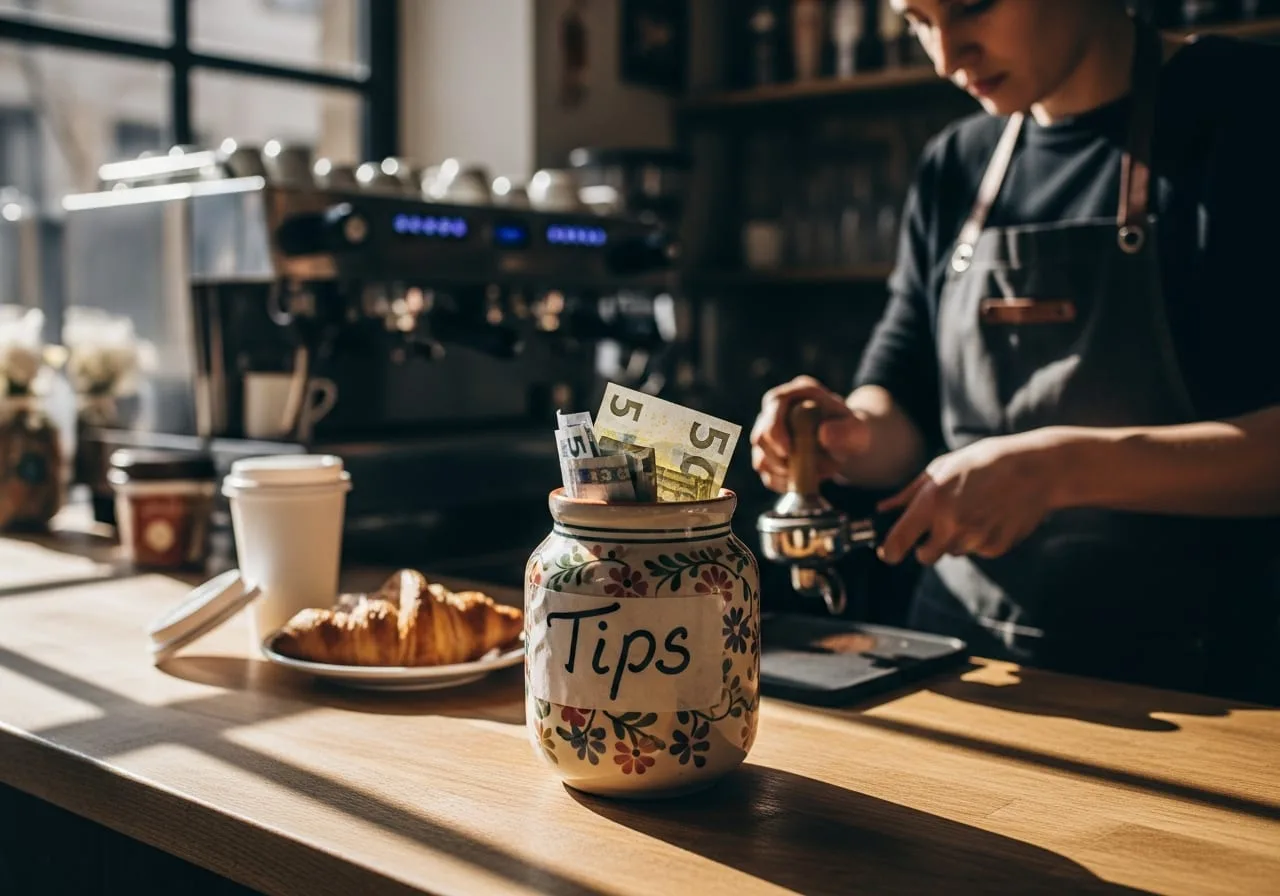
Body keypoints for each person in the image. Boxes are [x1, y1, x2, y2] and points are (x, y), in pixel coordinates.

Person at [750, 0, 1280, 702]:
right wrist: (844, 435)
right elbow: (901, 397)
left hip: (1202, 677)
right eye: (916, 20)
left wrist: (1060, 469)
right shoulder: (956, 164)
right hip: (967, 663)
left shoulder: (1246, 107)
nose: (945, 56)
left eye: (971, 7)